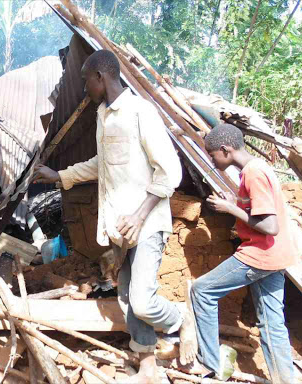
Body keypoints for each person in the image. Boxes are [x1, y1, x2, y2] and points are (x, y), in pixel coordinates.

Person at [33, 49, 189, 383]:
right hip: (121, 228)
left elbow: (170, 172)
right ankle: (148, 369)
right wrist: (58, 175)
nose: (86, 87)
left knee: (144, 302)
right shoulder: (104, 116)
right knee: (126, 299)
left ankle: (182, 318)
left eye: (87, 80)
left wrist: (139, 214)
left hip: (146, 226)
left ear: (100, 77)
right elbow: (99, 166)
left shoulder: (139, 112)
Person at [183, 123, 297, 383]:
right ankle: (284, 380)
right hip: (277, 256)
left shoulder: (253, 173)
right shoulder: (258, 168)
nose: (211, 159)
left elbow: (270, 226)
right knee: (271, 322)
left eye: (212, 154)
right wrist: (236, 202)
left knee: (202, 290)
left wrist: (229, 208)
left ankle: (210, 365)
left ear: (226, 149)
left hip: (260, 254)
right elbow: (259, 209)